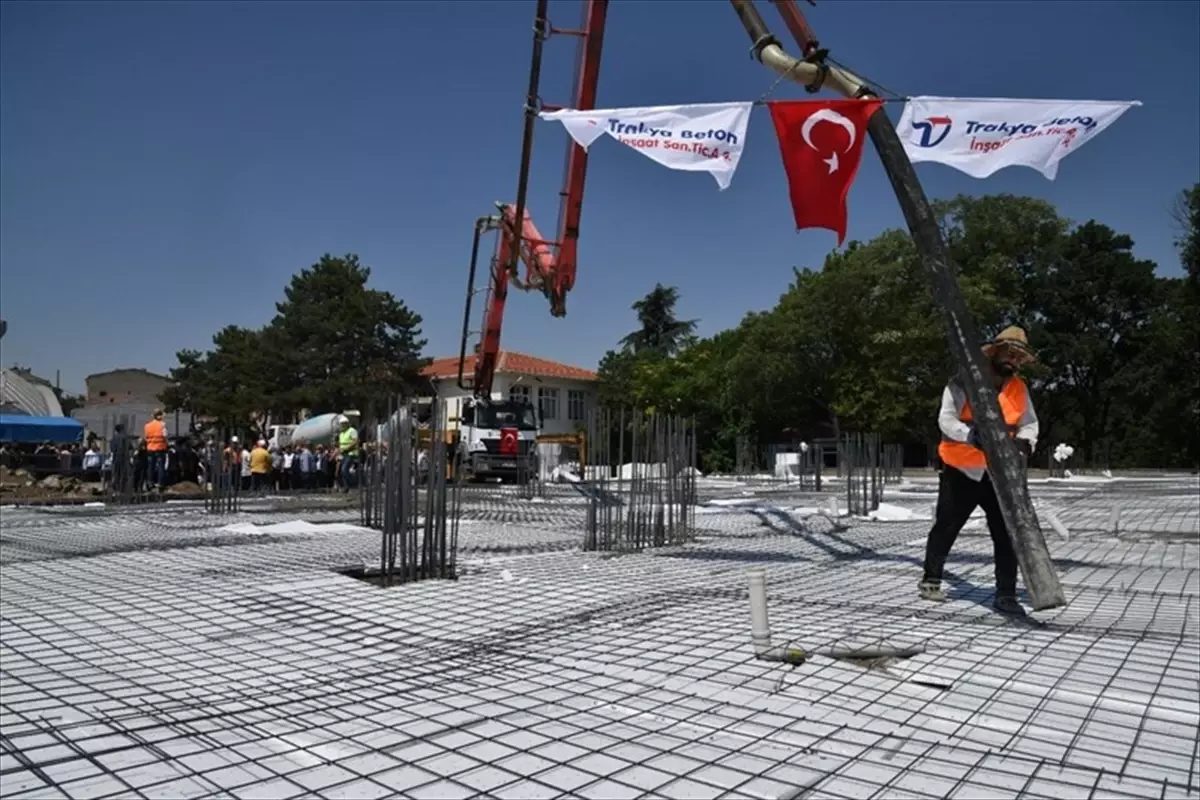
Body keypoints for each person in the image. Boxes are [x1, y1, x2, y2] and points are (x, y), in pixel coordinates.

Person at [919, 326, 1039, 616]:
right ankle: (931, 578)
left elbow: (1029, 423)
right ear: (994, 352)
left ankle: (1006, 593)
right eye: (1009, 354)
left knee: (1006, 532)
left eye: (1018, 357)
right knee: (947, 525)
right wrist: (969, 435)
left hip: (1000, 473)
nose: (1013, 361)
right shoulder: (962, 383)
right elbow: (946, 419)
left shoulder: (1018, 388)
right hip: (961, 469)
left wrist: (1025, 442)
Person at [143, 409, 170, 490]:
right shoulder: (162, 425)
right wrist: (167, 444)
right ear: (159, 416)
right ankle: (160, 483)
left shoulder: (147, 426)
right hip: (160, 448)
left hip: (150, 448)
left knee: (150, 467)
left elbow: (146, 437)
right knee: (161, 467)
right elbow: (165, 436)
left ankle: (150, 483)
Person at [336, 415, 359, 491]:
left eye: (343, 424)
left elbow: (356, 441)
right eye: (341, 424)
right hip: (343, 454)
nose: (342, 425)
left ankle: (352, 482)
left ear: (347, 424)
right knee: (341, 471)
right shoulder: (341, 433)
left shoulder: (352, 431)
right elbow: (341, 445)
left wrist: (347, 448)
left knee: (344, 469)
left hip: (351, 453)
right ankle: (346, 486)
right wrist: (339, 452)